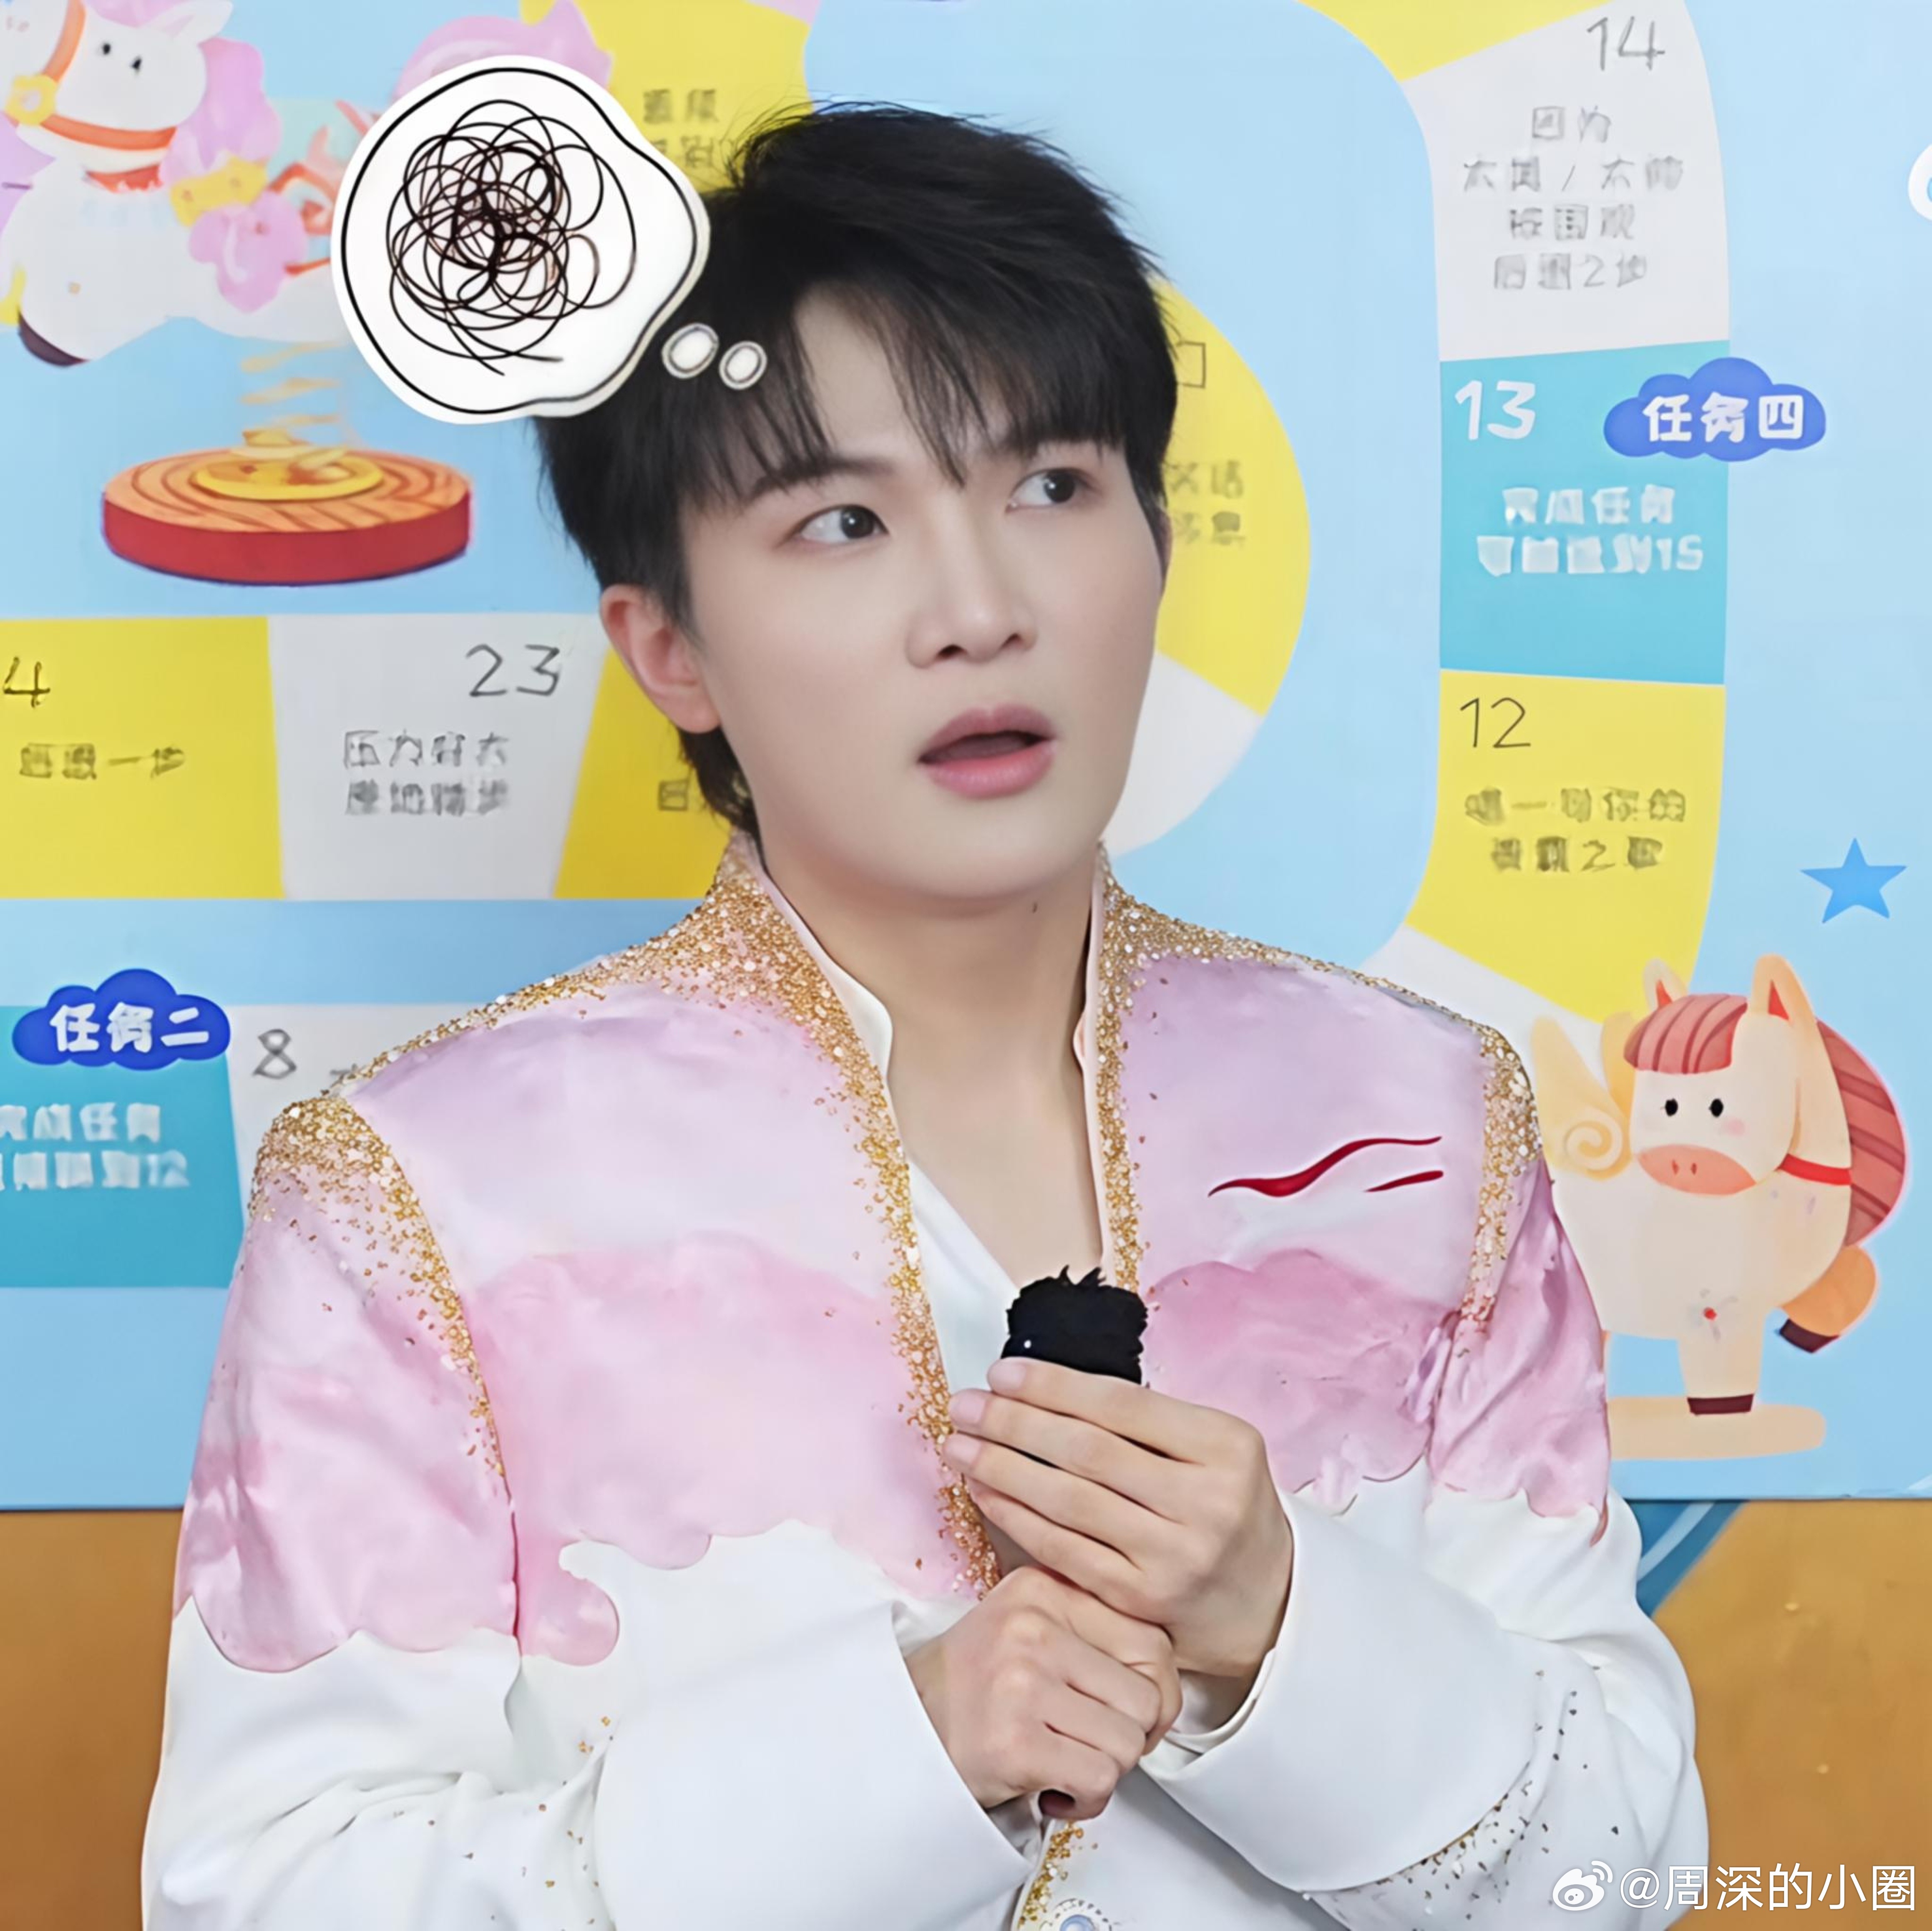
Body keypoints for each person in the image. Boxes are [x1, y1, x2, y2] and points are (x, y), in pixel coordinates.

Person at [142, 101, 1707, 1930]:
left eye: (1052, 488)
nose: (979, 609)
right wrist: (909, 1748)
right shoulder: (424, 1190)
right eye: (844, 520)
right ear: (670, 649)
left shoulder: (1422, 1121)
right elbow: (265, 1891)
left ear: (1155, 538)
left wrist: (1279, 1623)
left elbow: (1621, 1870)